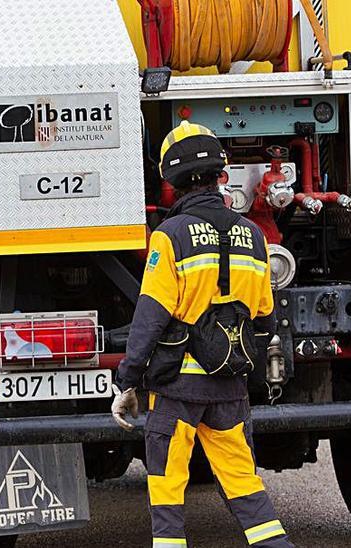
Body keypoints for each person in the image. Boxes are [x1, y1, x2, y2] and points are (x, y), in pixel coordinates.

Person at [111, 122, 293, 548]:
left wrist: (128, 381)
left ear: (171, 181)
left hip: (176, 390)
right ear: (221, 175)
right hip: (229, 386)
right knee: (244, 486)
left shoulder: (169, 237)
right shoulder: (254, 236)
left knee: (168, 489)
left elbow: (151, 318)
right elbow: (266, 320)